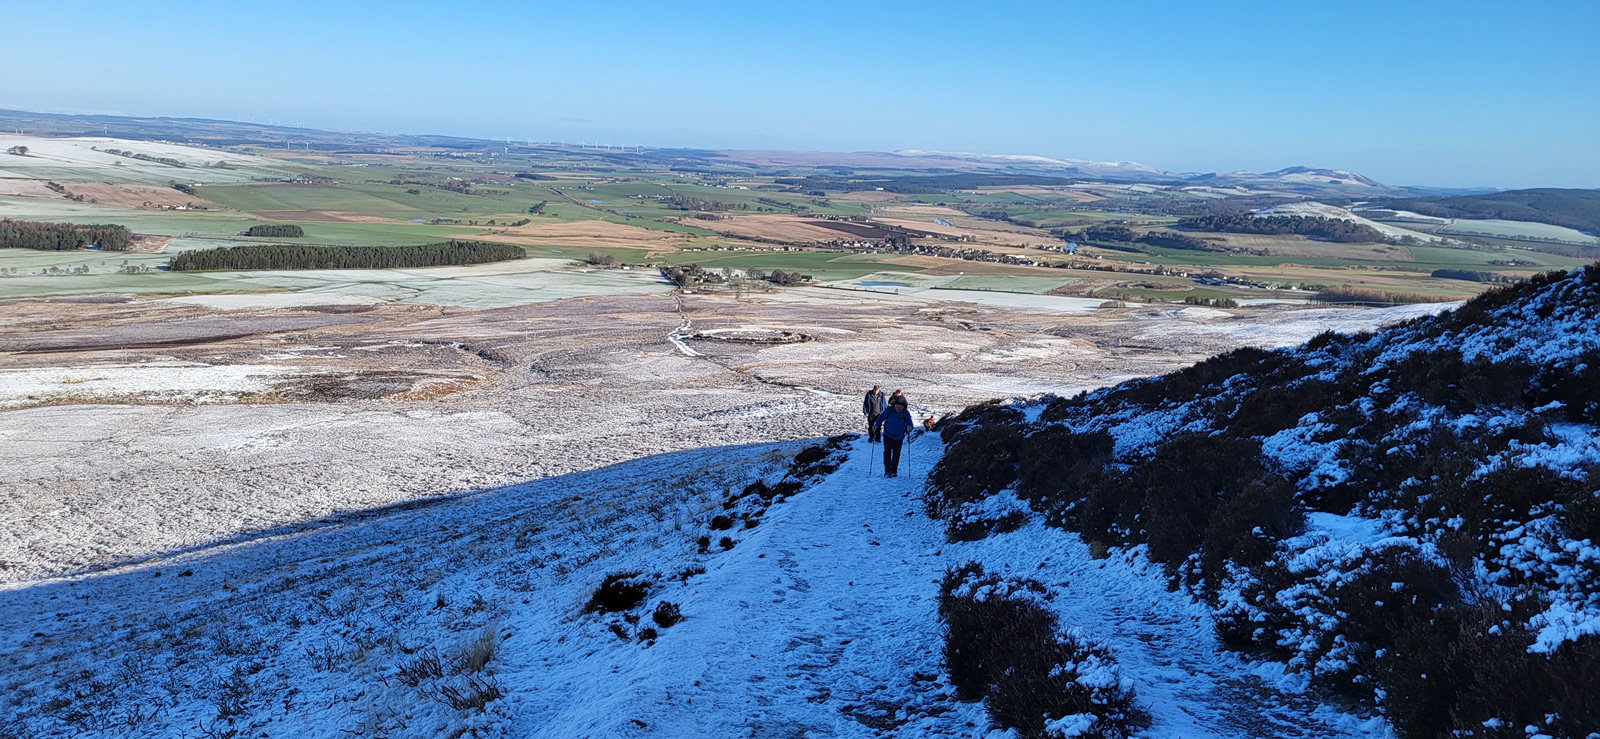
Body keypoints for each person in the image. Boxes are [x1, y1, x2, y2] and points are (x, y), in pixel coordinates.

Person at [874, 396, 915, 478]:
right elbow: (881, 417)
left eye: (900, 407)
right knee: (887, 453)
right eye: (897, 406)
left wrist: (909, 428)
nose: (898, 409)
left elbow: (910, 423)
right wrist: (876, 425)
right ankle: (887, 470)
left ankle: (894, 471)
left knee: (896, 454)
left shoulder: (906, 413)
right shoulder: (889, 410)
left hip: (899, 437)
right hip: (888, 435)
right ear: (894, 405)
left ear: (904, 407)